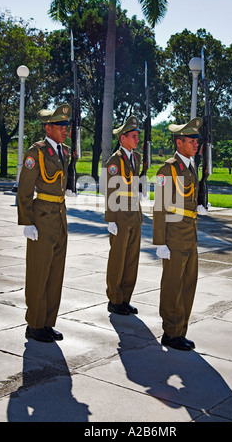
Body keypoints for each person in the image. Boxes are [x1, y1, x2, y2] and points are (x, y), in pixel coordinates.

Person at [17, 104, 71, 343]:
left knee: (55, 272)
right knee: (39, 272)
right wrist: (27, 222)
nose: (64, 131)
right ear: (48, 128)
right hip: (41, 217)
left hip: (60, 215)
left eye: (66, 127)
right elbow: (25, 189)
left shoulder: (64, 151)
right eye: (60, 126)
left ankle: (48, 322)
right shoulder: (35, 152)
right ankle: (35, 324)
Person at [153, 117, 207, 351]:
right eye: (192, 139)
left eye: (197, 139)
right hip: (174, 236)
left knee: (188, 284)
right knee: (173, 284)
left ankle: (181, 329)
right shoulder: (169, 169)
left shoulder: (191, 166)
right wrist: (159, 242)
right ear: (179, 141)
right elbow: (160, 207)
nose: (197, 143)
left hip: (190, 234)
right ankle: (170, 332)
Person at [105, 115, 142, 316]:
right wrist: (110, 219)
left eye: (137, 136)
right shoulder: (115, 161)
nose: (137, 140)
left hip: (135, 214)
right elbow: (111, 190)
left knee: (131, 259)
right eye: (134, 136)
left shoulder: (136, 158)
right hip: (119, 215)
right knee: (118, 259)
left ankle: (125, 298)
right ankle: (114, 298)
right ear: (123, 139)